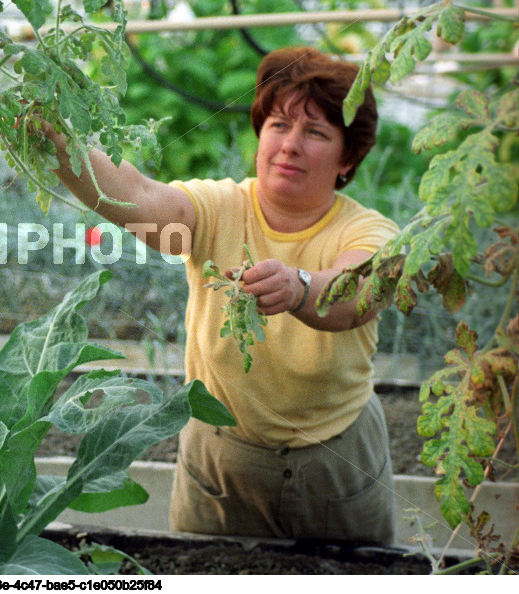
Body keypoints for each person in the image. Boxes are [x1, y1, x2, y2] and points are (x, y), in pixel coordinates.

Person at [37, 46, 398, 543]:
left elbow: (358, 294)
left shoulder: (369, 232)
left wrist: (299, 287)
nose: (290, 145)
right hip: (220, 454)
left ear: (348, 157)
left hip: (336, 461)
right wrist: (51, 137)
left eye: (315, 132)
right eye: (278, 125)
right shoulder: (218, 207)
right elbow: (138, 195)